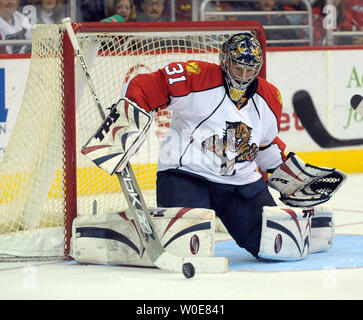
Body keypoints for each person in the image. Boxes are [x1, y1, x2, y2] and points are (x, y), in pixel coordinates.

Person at [122, 33, 344, 261]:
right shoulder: (196, 77)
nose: (244, 76)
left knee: (281, 249)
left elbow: (265, 148)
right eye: (239, 68)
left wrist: (291, 180)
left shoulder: (269, 97)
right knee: (188, 253)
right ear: (225, 60)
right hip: (186, 177)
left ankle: (310, 227)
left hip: (241, 185)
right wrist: (124, 125)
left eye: (251, 70)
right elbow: (143, 86)